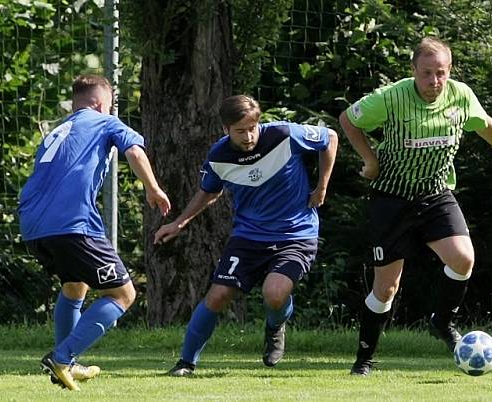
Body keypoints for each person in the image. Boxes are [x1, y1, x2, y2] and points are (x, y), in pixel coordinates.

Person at [338, 37, 492, 376]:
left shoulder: (460, 94)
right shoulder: (391, 98)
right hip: (392, 198)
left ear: (450, 71)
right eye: (426, 73)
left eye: (440, 73)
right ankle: (364, 360)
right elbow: (347, 119)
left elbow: (484, 122)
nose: (434, 82)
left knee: (463, 258)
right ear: (413, 70)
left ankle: (441, 321)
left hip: (435, 193)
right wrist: (369, 159)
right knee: (385, 288)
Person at [155, 95, 338, 376]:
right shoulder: (219, 156)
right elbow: (209, 192)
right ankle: (185, 363)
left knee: (274, 295)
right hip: (249, 236)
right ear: (226, 129)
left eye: (253, 127)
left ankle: (275, 326)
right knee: (217, 296)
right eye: (240, 130)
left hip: (296, 234)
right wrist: (179, 223)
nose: (249, 135)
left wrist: (322, 186)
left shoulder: (284, 134)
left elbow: (330, 137)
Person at [18, 74, 171, 390]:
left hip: (33, 225)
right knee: (123, 294)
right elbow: (135, 152)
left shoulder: (58, 130)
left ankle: (68, 366)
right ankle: (62, 356)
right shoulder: (106, 121)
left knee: (75, 287)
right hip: (73, 224)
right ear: (103, 103)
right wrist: (153, 188)